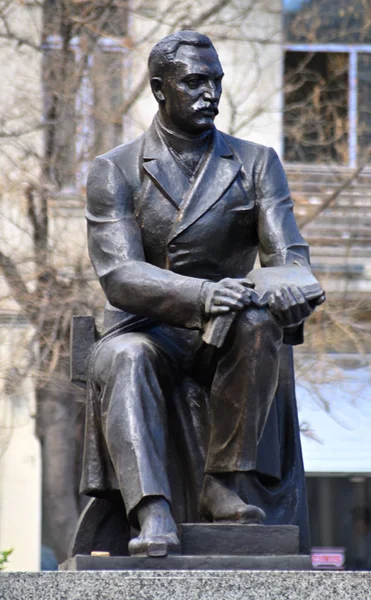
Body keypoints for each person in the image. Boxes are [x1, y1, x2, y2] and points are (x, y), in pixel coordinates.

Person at [80, 30, 317, 557]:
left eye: (216, 81)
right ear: (160, 89)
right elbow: (120, 276)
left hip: (227, 330)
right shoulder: (114, 169)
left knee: (260, 326)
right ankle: (152, 508)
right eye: (194, 82)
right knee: (126, 356)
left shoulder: (256, 162)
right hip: (146, 328)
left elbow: (290, 258)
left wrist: (289, 290)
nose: (209, 93)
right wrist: (205, 294)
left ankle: (224, 482)